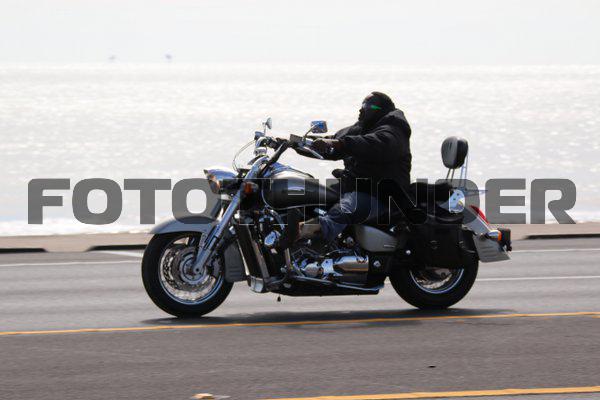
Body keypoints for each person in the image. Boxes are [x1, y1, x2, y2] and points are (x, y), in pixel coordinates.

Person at [298, 91, 412, 242]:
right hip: (353, 186)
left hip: (379, 195)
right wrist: (296, 143)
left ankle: (301, 232)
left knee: (344, 210)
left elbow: (373, 144)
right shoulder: (363, 127)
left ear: (380, 109)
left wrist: (339, 144)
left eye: (367, 106)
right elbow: (334, 141)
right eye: (362, 105)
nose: (361, 109)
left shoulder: (394, 130)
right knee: (312, 195)